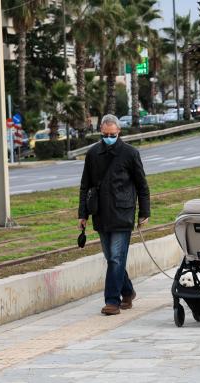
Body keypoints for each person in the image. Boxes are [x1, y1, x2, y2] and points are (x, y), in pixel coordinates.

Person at [78, 114, 150, 316]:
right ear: (101, 131)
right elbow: (85, 186)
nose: (109, 137)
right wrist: (82, 214)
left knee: (116, 258)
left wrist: (144, 212)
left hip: (122, 214)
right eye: (106, 134)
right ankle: (127, 291)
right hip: (100, 213)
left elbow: (142, 185)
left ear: (119, 132)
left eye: (113, 134)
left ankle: (112, 301)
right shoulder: (92, 154)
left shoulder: (130, 153)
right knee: (111, 257)